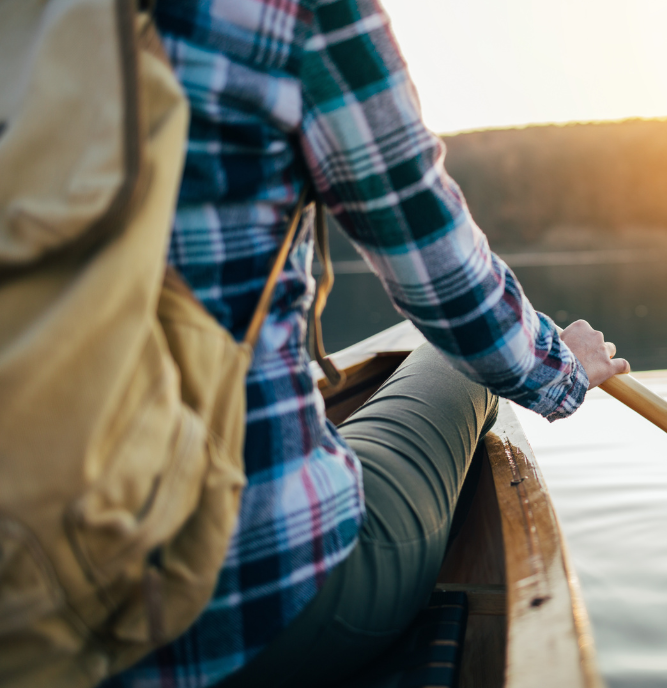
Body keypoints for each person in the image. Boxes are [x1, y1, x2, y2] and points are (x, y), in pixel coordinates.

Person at [104, 0, 628, 686]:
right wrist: (564, 366)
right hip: (242, 609)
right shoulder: (292, 12)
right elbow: (454, 294)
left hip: (29, 605)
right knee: (453, 358)